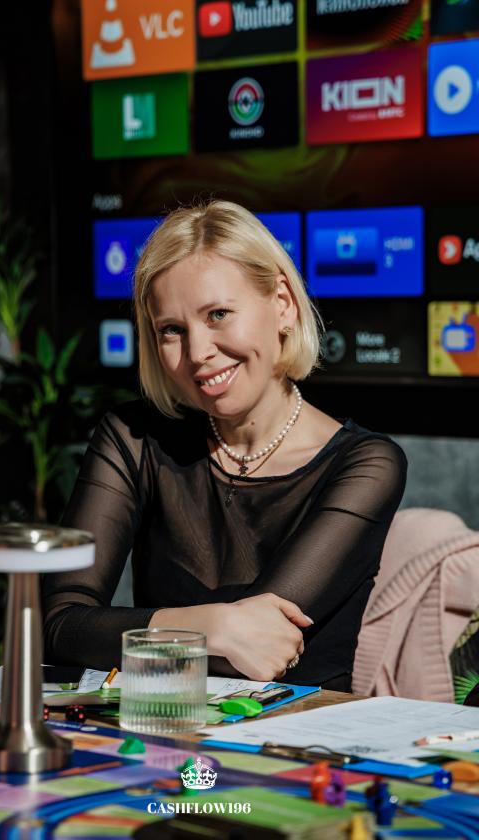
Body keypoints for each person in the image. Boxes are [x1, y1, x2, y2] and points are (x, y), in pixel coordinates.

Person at [42, 201, 407, 690]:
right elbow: (56, 627)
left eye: (218, 314)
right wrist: (210, 628)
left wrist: (143, 632)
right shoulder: (132, 437)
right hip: (165, 725)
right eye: (172, 330)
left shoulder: (366, 464)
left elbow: (256, 652)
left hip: (302, 733)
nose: (197, 353)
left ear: (282, 304)